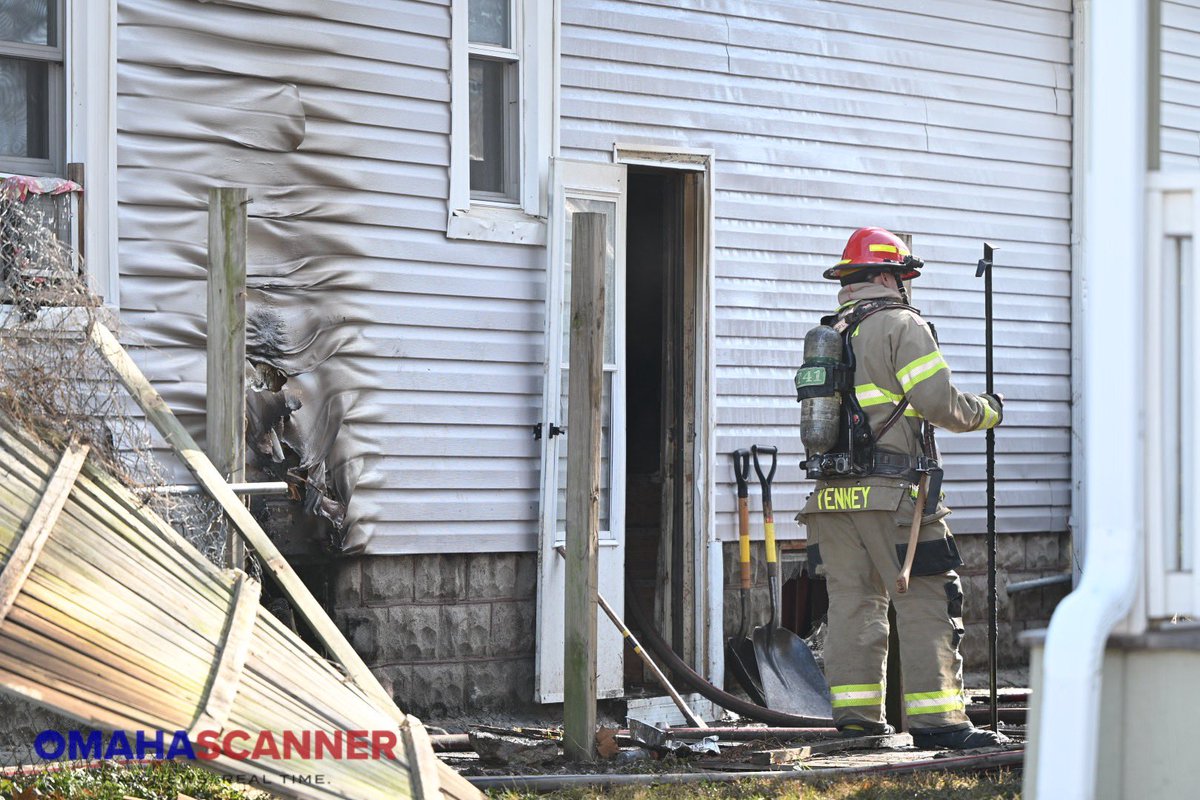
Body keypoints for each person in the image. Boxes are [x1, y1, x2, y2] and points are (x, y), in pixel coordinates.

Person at [795, 227, 1008, 749]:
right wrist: (987, 412)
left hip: (830, 499)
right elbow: (938, 403)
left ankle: (858, 721)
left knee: (852, 605)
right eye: (905, 276)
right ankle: (940, 723)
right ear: (890, 276)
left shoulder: (832, 332)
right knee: (928, 600)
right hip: (894, 499)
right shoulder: (901, 325)